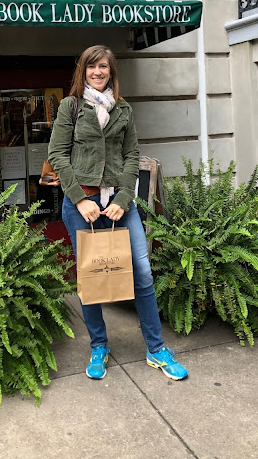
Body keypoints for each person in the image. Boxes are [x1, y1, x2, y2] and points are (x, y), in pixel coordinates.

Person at [48, 45, 188, 381]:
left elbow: (131, 157)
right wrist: (81, 198)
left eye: (104, 68)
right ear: (83, 70)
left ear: (112, 72)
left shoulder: (123, 109)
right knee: (92, 277)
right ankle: (99, 345)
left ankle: (156, 349)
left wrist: (124, 199)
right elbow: (57, 154)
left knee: (142, 274)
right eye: (92, 67)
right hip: (81, 205)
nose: (98, 72)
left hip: (119, 206)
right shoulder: (71, 107)